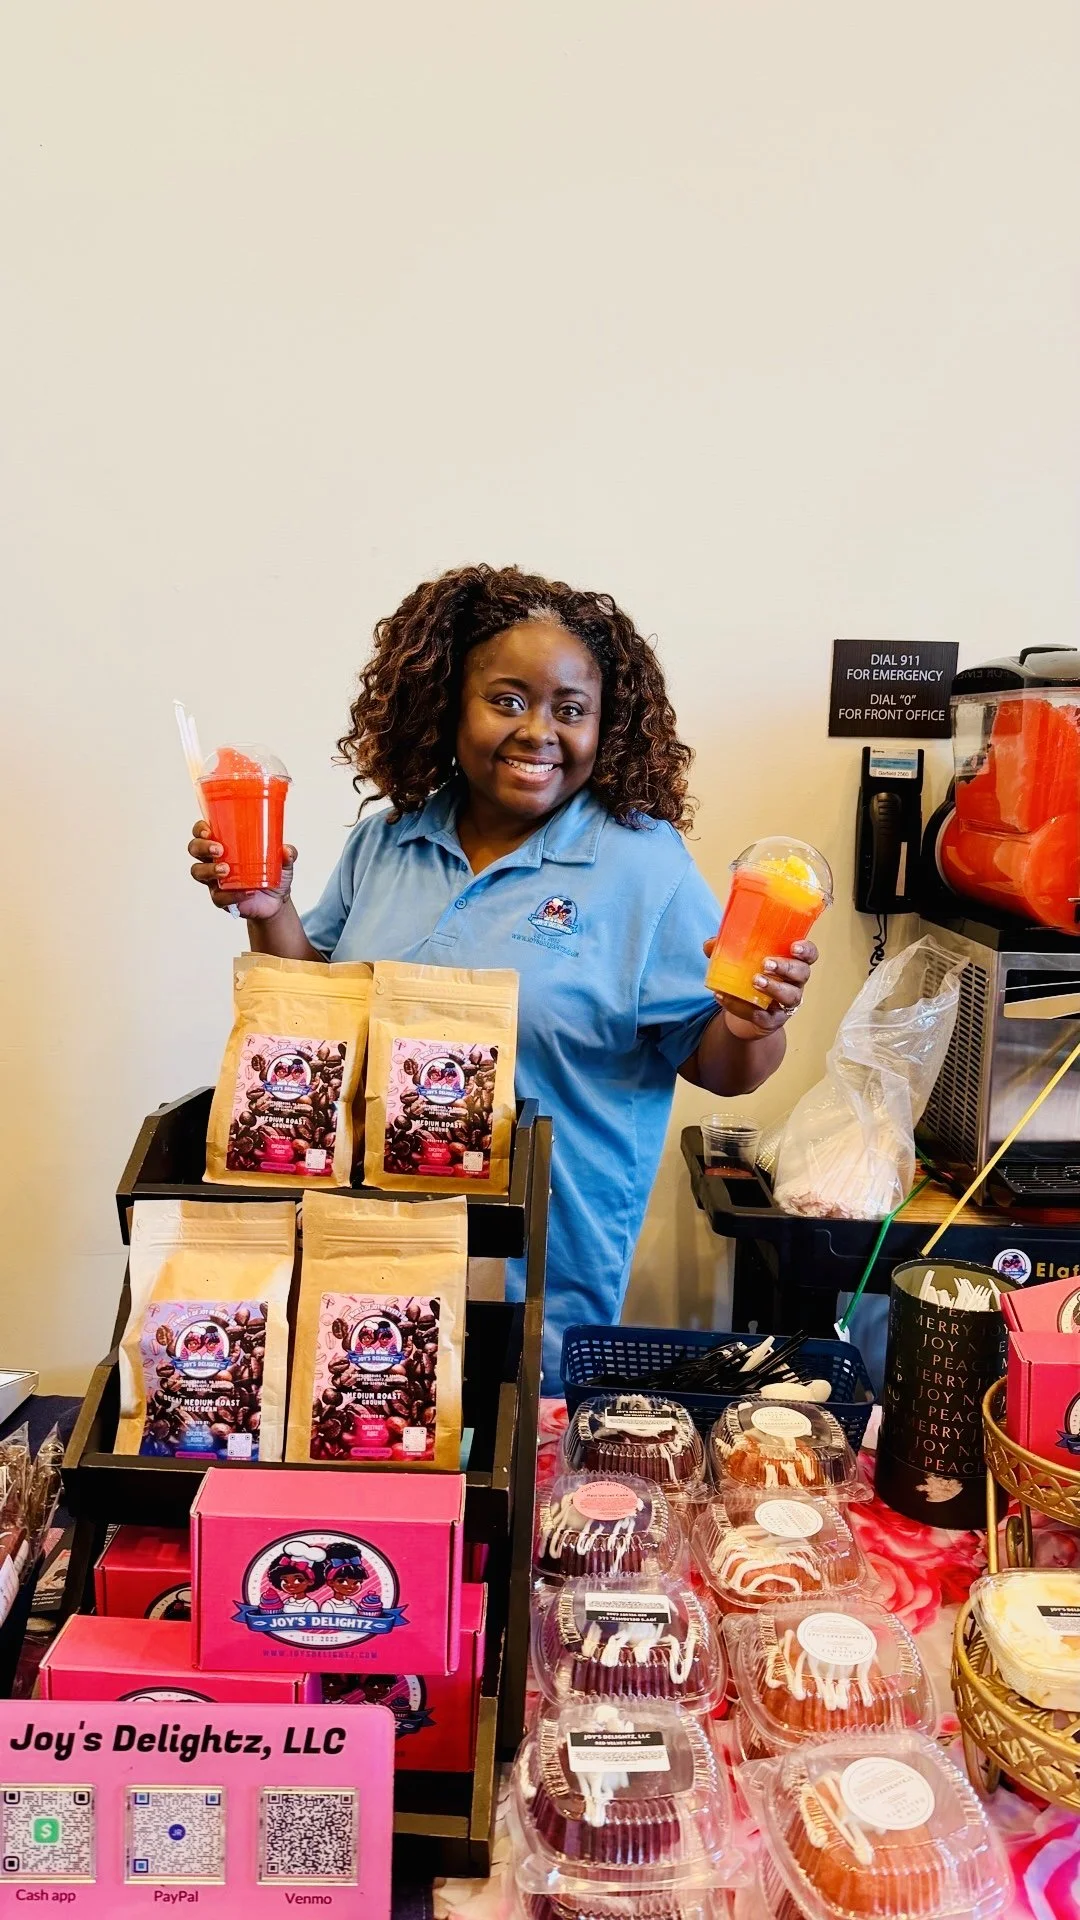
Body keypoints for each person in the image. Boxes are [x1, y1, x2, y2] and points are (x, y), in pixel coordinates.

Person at [189, 565, 819, 1385]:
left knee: (510, 1483)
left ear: (607, 725)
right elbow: (313, 1014)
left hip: (541, 1285)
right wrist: (267, 906)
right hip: (369, 1256)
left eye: (571, 710)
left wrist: (753, 1021)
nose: (539, 732)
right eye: (508, 700)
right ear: (450, 701)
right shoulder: (389, 842)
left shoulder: (641, 865)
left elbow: (721, 1067)